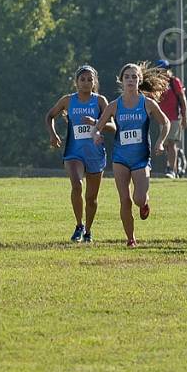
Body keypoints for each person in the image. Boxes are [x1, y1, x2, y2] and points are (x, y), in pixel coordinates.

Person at [92, 63, 170, 247]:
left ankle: (144, 204)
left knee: (138, 198)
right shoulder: (114, 105)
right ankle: (131, 238)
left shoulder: (147, 103)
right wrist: (96, 135)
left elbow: (165, 122)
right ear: (121, 80)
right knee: (125, 199)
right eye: (127, 76)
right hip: (120, 157)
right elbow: (98, 126)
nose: (130, 80)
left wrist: (160, 142)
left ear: (139, 80)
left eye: (134, 77)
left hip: (141, 158)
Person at [45, 65, 114, 243]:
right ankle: (79, 225)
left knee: (91, 198)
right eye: (82, 79)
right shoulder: (68, 101)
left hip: (95, 153)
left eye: (89, 79)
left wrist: (97, 123)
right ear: (76, 82)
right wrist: (53, 134)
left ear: (94, 82)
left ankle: (89, 231)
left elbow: (113, 126)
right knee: (77, 185)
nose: (86, 83)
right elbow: (50, 116)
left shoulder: (100, 101)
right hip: (73, 152)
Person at [154, 60, 187, 178]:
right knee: (166, 144)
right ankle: (174, 166)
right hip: (162, 118)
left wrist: (184, 117)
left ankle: (172, 170)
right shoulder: (156, 84)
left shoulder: (174, 82)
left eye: (165, 69)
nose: (163, 71)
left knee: (172, 142)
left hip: (174, 116)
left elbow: (183, 100)